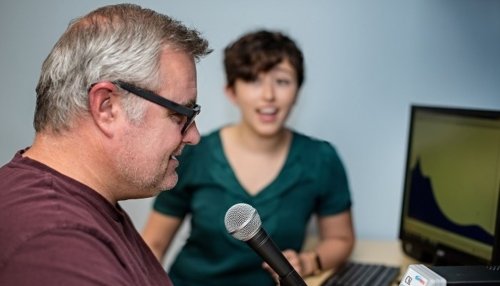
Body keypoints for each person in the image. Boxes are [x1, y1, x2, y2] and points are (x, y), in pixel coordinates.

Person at [0, 4, 211, 285]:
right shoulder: (56, 242)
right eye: (179, 115)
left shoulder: (83, 205)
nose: (193, 135)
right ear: (107, 107)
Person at [142, 30, 355, 286]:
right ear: (232, 92)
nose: (268, 95)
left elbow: (341, 238)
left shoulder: (322, 159)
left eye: (282, 81)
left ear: (298, 91)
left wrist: (309, 262)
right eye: (253, 80)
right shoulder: (196, 153)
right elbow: (154, 244)